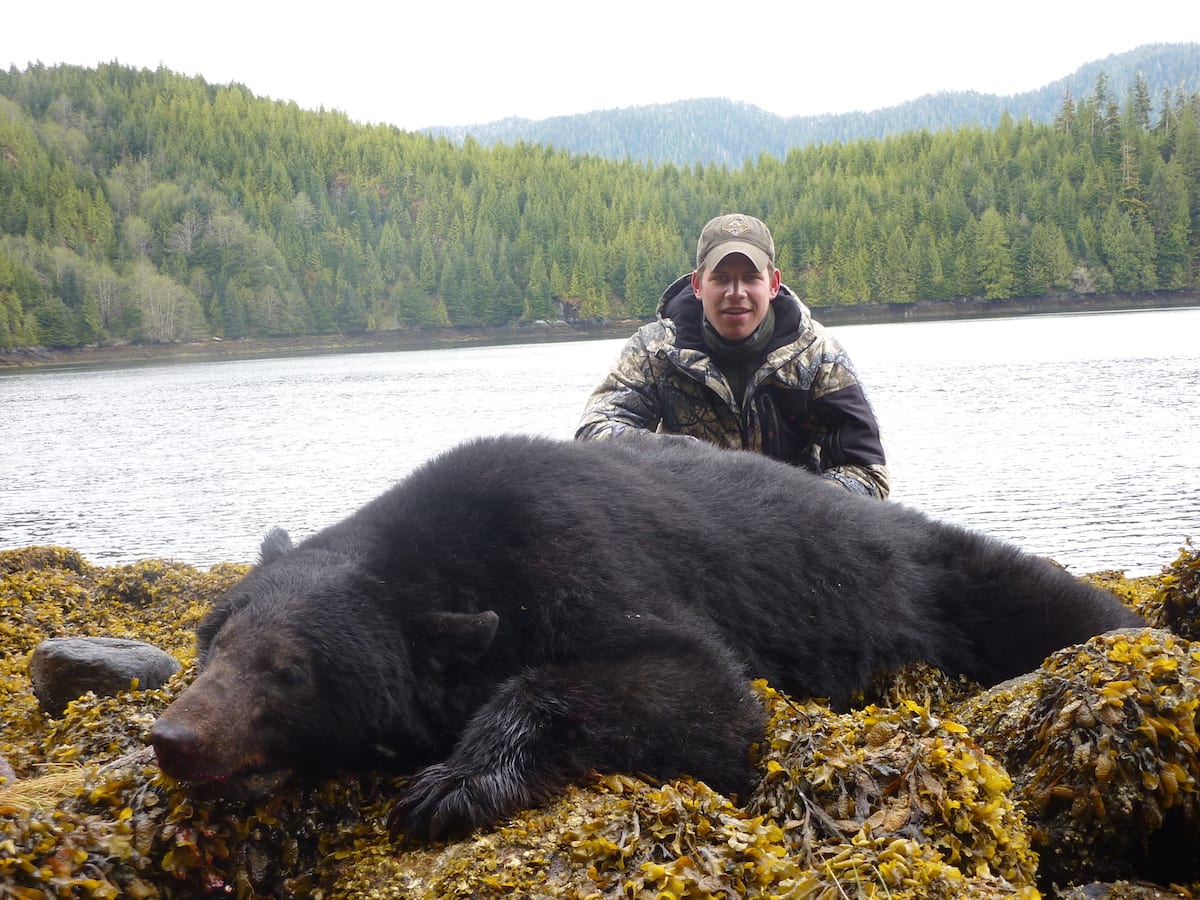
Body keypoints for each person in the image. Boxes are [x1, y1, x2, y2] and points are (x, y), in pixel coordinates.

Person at [576, 213, 889, 498]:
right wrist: (685, 458)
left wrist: (794, 505)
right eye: (721, 278)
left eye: (750, 277)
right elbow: (594, 433)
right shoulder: (654, 350)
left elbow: (867, 472)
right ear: (698, 285)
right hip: (690, 525)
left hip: (795, 536)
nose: (736, 292)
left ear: (773, 284)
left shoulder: (819, 354)